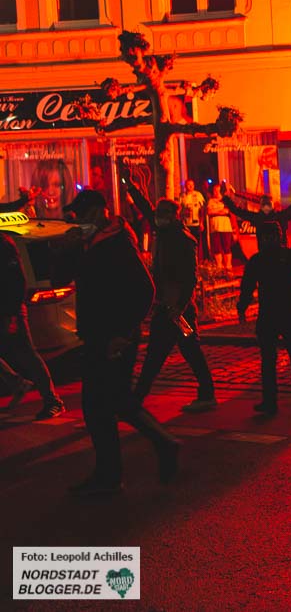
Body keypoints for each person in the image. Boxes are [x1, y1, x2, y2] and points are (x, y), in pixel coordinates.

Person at [55, 190, 180, 496]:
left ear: (101, 211)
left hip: (114, 339)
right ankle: (158, 447)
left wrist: (122, 334)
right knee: (115, 402)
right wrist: (67, 249)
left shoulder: (118, 242)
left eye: (84, 214)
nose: (79, 220)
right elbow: (59, 278)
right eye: (76, 215)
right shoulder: (88, 244)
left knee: (99, 406)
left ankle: (110, 477)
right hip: (97, 335)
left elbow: (145, 290)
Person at [122, 170, 216, 413]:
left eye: (163, 214)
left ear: (174, 216)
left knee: (178, 352)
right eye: (158, 214)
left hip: (178, 309)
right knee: (165, 353)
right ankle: (138, 399)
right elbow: (145, 208)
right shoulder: (165, 232)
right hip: (168, 307)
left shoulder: (184, 240)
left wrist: (180, 306)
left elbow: (190, 277)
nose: (158, 218)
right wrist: (131, 187)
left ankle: (137, 399)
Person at [237, 222, 291, 415]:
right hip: (280, 312)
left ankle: (278, 399)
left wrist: (242, 307)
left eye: (271, 236)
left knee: (279, 357)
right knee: (285, 355)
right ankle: (289, 396)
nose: (269, 239)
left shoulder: (263, 259)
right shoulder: (283, 256)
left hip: (276, 312)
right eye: (267, 236)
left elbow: (247, 286)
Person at [0, 232, 65, 418]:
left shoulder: (3, 244)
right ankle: (17, 383)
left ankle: (52, 400)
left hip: (9, 309)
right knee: (25, 353)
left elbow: (17, 281)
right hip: (6, 308)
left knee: (26, 353)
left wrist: (12, 314)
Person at [222, 178, 291, 244]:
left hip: (266, 256)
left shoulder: (257, 217)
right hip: (280, 255)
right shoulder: (280, 216)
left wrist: (225, 197)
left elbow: (237, 211)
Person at [206, 184, 234, 270]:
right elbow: (209, 212)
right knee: (217, 248)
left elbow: (227, 211)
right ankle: (219, 266)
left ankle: (228, 265)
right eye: (215, 190)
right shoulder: (210, 201)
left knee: (227, 247)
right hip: (215, 227)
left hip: (225, 227)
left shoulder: (226, 200)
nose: (216, 192)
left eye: (218, 190)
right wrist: (220, 211)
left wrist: (215, 211)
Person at [179, 179, 206, 258]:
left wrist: (201, 222)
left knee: (196, 242)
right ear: (185, 186)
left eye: (192, 185)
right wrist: (183, 213)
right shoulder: (182, 196)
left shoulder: (198, 195)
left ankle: (197, 258)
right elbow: (179, 209)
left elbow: (202, 209)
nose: (191, 186)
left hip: (196, 223)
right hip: (186, 223)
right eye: (188, 184)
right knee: (187, 243)